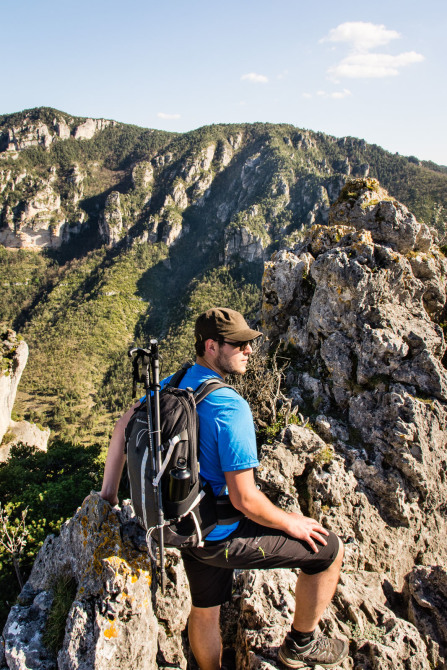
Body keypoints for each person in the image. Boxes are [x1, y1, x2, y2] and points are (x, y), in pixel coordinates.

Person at [100, 307, 348, 670]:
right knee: (329, 552)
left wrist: (108, 496)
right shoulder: (231, 407)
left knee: (205, 611)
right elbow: (244, 498)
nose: (250, 351)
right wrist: (289, 522)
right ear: (212, 346)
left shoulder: (178, 379)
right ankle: (301, 644)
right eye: (241, 345)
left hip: (181, 523)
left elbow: (124, 423)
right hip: (220, 534)